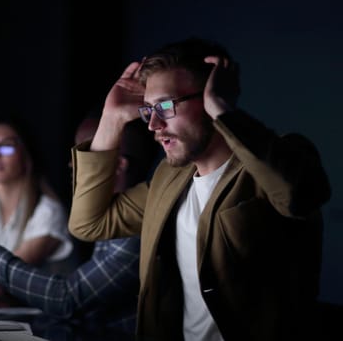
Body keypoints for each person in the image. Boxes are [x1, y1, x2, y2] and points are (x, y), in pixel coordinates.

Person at [67, 37, 331, 340]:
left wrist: (223, 110)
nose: (153, 124)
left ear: (210, 95)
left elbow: (301, 196)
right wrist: (112, 119)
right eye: (148, 110)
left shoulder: (281, 156)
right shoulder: (169, 177)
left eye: (165, 106)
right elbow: (89, 224)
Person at [0, 113, 160, 335]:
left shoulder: (133, 231)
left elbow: (66, 299)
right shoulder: (113, 213)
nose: (72, 163)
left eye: (85, 154)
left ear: (119, 165)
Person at [0, 111, 75, 302]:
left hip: (48, 325)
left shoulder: (48, 212)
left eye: (6, 147)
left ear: (26, 154)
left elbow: (0, 278)